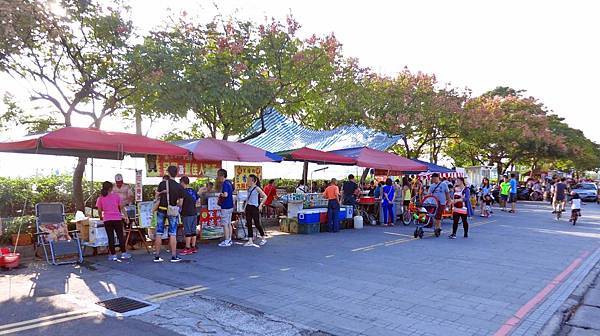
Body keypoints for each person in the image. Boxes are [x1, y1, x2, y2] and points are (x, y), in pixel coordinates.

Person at [154, 165, 184, 263]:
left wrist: (162, 193)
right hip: (172, 210)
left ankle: (157, 256)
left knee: (159, 233)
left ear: (168, 172)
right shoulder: (179, 186)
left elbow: (156, 196)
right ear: (176, 173)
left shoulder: (162, 184)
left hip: (161, 210)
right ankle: (174, 256)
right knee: (173, 233)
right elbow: (181, 203)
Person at [96, 181, 131, 261]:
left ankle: (113, 255)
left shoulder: (100, 198)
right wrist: (126, 216)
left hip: (107, 219)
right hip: (117, 218)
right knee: (120, 236)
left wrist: (101, 217)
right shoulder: (116, 196)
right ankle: (123, 253)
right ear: (111, 188)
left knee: (110, 237)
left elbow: (99, 210)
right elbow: (121, 207)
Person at [244, 174, 268, 247]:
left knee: (257, 223)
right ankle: (250, 240)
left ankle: (263, 237)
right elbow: (247, 199)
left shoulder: (257, 188)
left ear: (254, 181)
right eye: (248, 180)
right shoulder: (248, 188)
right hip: (248, 207)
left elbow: (265, 196)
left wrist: (260, 205)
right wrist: (244, 208)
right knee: (249, 223)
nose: (248, 181)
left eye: (250, 180)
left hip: (255, 207)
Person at [179, 176, 200, 256]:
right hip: (194, 213)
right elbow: (198, 202)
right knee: (193, 230)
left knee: (187, 231)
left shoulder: (182, 192)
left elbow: (180, 204)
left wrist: (176, 204)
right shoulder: (193, 191)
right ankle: (193, 247)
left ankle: (187, 248)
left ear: (182, 183)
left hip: (187, 213)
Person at [217, 169, 235, 247]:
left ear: (221, 176)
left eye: (218, 176)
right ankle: (229, 239)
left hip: (225, 206)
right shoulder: (229, 183)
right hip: (230, 206)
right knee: (229, 223)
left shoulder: (224, 184)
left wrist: (220, 194)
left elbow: (226, 194)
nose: (218, 178)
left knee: (225, 224)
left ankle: (227, 240)